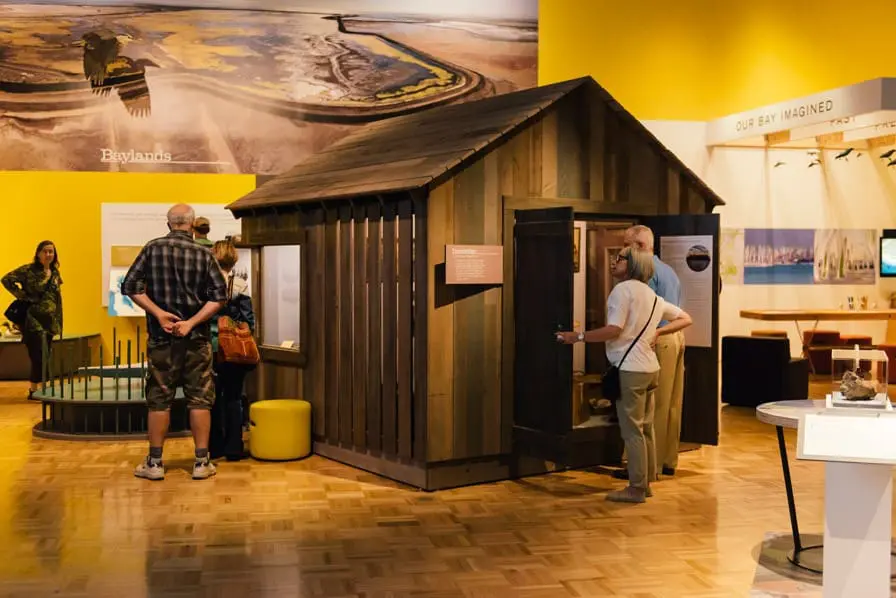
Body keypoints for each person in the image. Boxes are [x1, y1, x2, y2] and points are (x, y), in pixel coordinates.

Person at [558, 247, 692, 503]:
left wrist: (577, 337)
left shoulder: (623, 291)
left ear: (631, 265)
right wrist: (658, 333)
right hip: (651, 368)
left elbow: (613, 329)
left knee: (632, 431)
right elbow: (686, 318)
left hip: (631, 369)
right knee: (646, 428)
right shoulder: (653, 296)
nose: (613, 261)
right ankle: (648, 481)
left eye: (619, 258)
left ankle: (637, 488)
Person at [121, 204, 228, 481]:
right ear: (192, 225)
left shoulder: (152, 248)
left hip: (161, 337)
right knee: (200, 399)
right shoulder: (204, 254)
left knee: (159, 399)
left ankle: (154, 463)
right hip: (197, 339)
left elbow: (129, 286)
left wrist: (158, 314)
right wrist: (191, 322)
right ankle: (201, 462)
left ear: (169, 224)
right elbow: (219, 296)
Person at [624, 225, 685, 477]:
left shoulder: (646, 272)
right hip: (676, 335)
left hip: (657, 338)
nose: (623, 251)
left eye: (626, 245)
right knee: (672, 402)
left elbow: (643, 311)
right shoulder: (669, 271)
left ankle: (650, 465)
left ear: (638, 246)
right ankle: (668, 459)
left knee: (653, 404)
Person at [209, 240, 255, 461]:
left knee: (212, 397)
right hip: (234, 350)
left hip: (210, 347)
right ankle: (234, 448)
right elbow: (248, 319)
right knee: (234, 396)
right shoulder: (240, 284)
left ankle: (214, 447)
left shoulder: (205, 284)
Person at [2, 241, 63, 400]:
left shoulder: (55, 273)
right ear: (38, 253)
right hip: (32, 319)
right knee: (38, 354)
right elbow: (6, 279)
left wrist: (59, 320)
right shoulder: (28, 270)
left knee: (46, 354)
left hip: (49, 320)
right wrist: (22, 296)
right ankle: (35, 389)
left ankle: (44, 389)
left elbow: (57, 298)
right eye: (45, 251)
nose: (48, 255)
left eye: (51, 252)